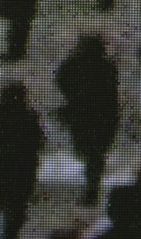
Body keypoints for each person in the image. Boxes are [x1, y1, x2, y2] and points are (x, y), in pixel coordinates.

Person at [0, 83, 45, 239]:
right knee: (15, 205)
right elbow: (39, 142)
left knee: (4, 199)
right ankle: (10, 231)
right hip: (20, 166)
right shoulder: (27, 116)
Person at [56, 34, 121, 205]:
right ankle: (92, 190)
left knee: (89, 152)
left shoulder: (74, 64)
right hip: (103, 116)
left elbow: (61, 80)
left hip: (82, 115)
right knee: (95, 155)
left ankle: (91, 192)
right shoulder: (107, 66)